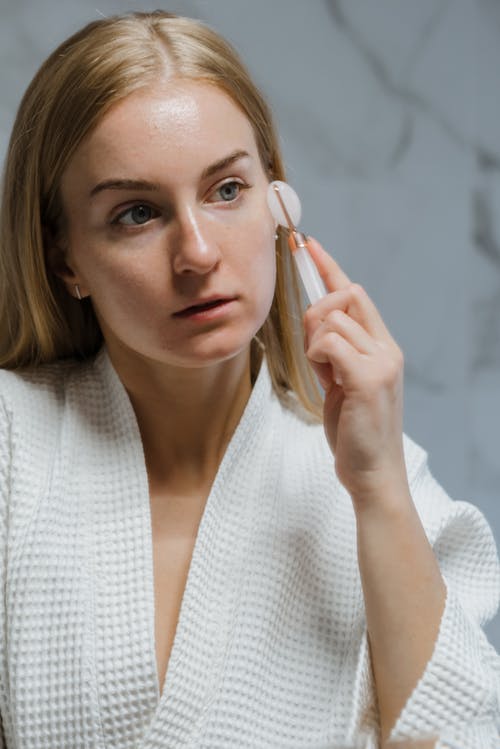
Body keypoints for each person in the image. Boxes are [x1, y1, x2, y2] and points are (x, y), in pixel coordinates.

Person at [0, 10, 498, 749]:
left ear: (277, 203)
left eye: (227, 190)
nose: (197, 251)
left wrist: (380, 489)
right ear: (66, 257)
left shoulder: (383, 493)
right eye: (137, 213)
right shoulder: (13, 446)